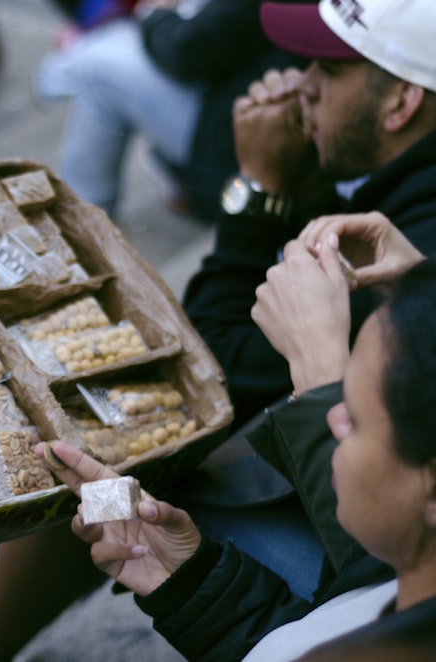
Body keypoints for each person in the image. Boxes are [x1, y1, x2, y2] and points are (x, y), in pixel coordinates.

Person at [37, 257, 436, 660]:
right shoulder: (392, 588)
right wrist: (189, 584)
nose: (332, 417)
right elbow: (299, 633)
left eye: (357, 416)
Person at [182, 0, 436, 429]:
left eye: (331, 70)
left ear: (400, 103)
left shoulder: (409, 245)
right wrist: (303, 184)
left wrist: (260, 187)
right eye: (310, 62)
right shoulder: (395, 181)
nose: (304, 84)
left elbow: (210, 376)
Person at [35, 0, 303, 219]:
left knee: (97, 69)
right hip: (247, 105)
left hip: (245, 151)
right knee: (107, 48)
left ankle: (79, 228)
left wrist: (155, 12)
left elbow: (186, 49)